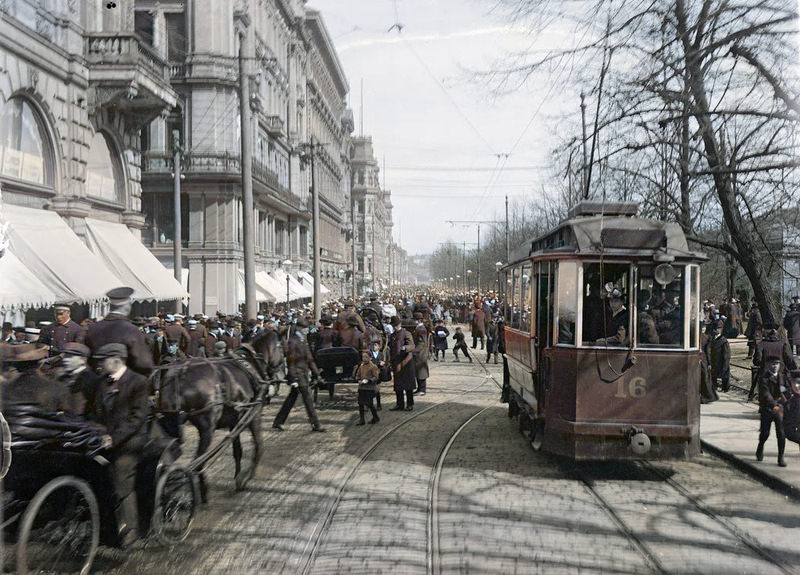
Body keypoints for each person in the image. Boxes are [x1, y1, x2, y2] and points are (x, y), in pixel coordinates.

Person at [84, 343, 150, 545]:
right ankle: (103, 525)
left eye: (103, 360)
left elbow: (137, 418)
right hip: (104, 439)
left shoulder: (138, 382)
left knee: (121, 473)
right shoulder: (101, 382)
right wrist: (94, 430)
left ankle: (131, 529)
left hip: (131, 441)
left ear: (116, 360)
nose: (100, 364)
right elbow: (94, 412)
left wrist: (114, 437)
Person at [85, 287, 154, 376]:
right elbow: (144, 364)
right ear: (128, 306)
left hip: (96, 382)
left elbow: (87, 357)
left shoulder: (93, 328)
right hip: (125, 383)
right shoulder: (131, 330)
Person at [272, 318, 325, 432]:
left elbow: (310, 359)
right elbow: (291, 361)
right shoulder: (293, 342)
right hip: (298, 375)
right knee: (308, 399)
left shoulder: (302, 340)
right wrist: (293, 378)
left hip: (303, 373)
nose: (307, 330)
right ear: (300, 329)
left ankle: (278, 421)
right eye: (305, 328)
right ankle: (316, 424)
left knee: (291, 399)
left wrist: (317, 374)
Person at [756, 357, 792, 467]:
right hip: (767, 409)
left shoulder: (783, 377)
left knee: (781, 434)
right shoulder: (763, 378)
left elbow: (787, 392)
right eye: (772, 364)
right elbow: (765, 394)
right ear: (768, 365)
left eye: (777, 364)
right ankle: (760, 447)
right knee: (765, 433)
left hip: (780, 409)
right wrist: (774, 405)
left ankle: (780, 457)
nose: (775, 366)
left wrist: (781, 403)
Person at [751, 323, 797, 400]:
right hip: (781, 374)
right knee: (782, 394)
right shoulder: (783, 345)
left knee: (765, 395)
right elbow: (790, 360)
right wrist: (793, 368)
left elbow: (757, 360)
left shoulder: (761, 344)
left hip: (765, 375)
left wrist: (763, 363)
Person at [388, 316, 416, 411]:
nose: (395, 327)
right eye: (393, 325)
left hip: (406, 363)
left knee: (408, 385)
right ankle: (399, 404)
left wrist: (406, 348)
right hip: (397, 363)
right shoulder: (392, 336)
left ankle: (410, 404)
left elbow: (412, 346)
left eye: (396, 325)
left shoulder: (406, 333)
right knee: (398, 386)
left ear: (399, 324)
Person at [354, 351, 380, 425]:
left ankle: (375, 417)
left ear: (370, 358)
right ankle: (362, 420)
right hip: (362, 388)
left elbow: (376, 377)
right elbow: (358, 375)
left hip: (370, 388)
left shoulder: (373, 366)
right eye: (363, 357)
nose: (364, 359)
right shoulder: (361, 366)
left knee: (369, 404)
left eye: (366, 357)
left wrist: (369, 381)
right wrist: (358, 379)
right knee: (360, 404)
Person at [708, 319, 731, 392]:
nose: (716, 330)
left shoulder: (723, 341)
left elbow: (726, 355)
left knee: (725, 375)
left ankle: (725, 388)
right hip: (713, 362)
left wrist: (725, 365)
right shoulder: (710, 339)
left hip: (721, 362)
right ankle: (714, 387)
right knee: (713, 375)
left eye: (718, 328)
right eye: (715, 328)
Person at [413, 322, 429, 396]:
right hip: (420, 354)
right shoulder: (419, 328)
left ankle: (422, 389)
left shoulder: (421, 329)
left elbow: (421, 343)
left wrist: (414, 351)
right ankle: (419, 389)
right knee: (418, 372)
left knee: (421, 373)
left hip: (421, 354)